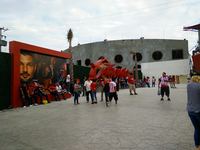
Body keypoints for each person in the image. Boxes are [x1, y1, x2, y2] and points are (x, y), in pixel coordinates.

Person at [187, 75, 200, 150]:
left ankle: (197, 146)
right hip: (198, 110)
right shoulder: (199, 86)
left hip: (190, 111)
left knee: (197, 128)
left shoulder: (188, 86)